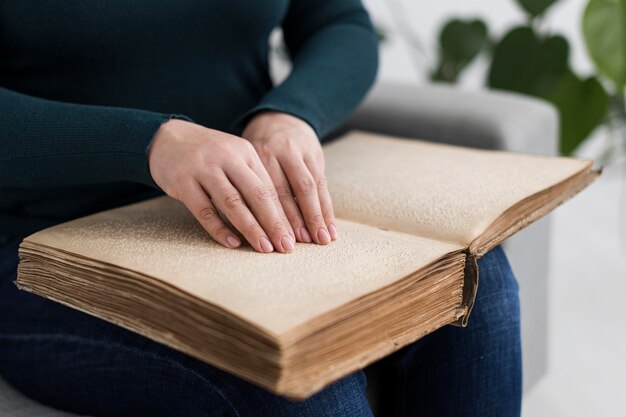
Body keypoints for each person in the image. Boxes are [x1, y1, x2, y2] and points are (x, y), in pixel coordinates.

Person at [0, 1, 522, 416]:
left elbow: (338, 20)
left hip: (257, 212)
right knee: (291, 381)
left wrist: (291, 112)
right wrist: (149, 144)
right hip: (46, 251)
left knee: (475, 285)